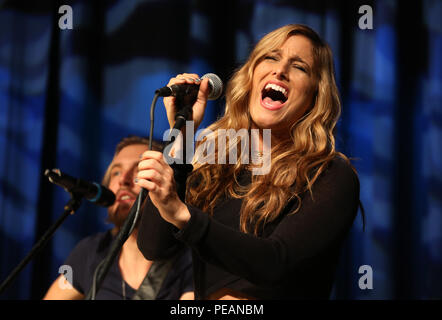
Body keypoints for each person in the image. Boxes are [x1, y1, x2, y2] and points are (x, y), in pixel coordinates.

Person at [135, 24, 363, 299]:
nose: (280, 70)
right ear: (251, 76)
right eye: (271, 57)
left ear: (315, 96)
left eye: (299, 66)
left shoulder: (328, 173)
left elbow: (276, 263)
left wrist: (183, 215)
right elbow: (154, 247)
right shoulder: (216, 159)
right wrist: (180, 141)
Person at [43, 136, 194, 300]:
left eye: (139, 170)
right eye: (116, 172)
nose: (123, 180)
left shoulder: (191, 258)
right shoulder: (93, 251)